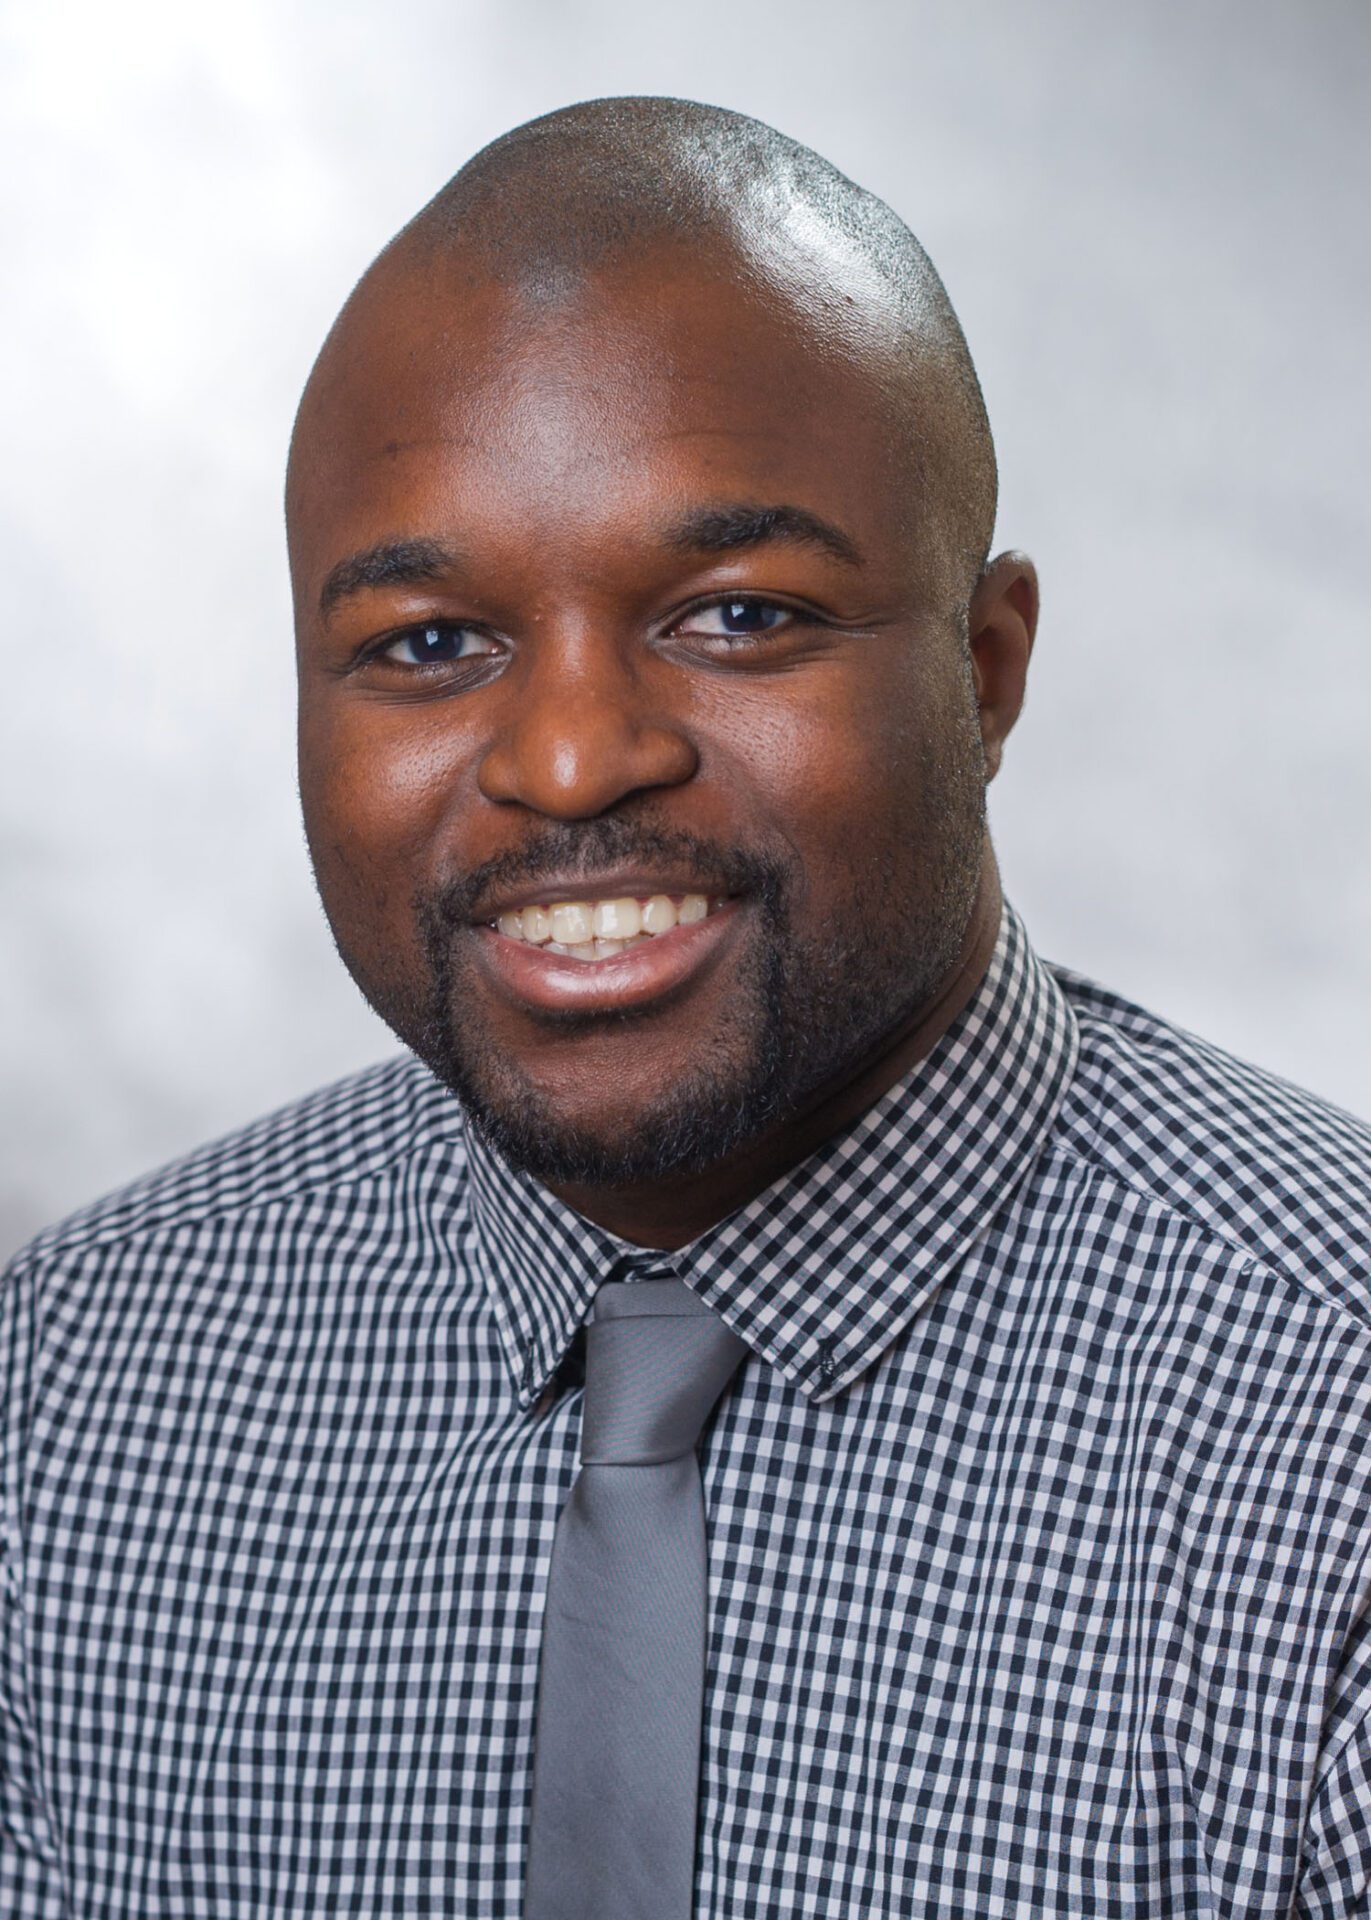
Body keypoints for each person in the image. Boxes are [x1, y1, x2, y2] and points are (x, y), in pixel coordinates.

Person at [4, 95, 1370, 1920]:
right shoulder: (75, 1393)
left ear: (986, 670)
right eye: (428, 645)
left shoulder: (1333, 1434)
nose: (572, 760)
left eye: (735, 617)